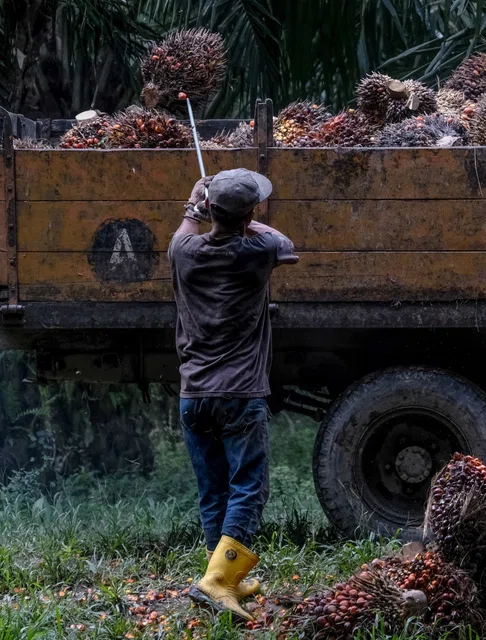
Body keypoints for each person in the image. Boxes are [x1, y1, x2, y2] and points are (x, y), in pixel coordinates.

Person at [169, 168, 298, 621]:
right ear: (248, 217)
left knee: (213, 489)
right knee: (248, 486)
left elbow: (186, 231)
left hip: (194, 394)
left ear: (209, 211)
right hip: (240, 394)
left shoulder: (182, 251)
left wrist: (195, 206)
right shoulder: (258, 251)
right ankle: (219, 581)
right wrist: (246, 222)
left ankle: (222, 576)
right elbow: (286, 246)